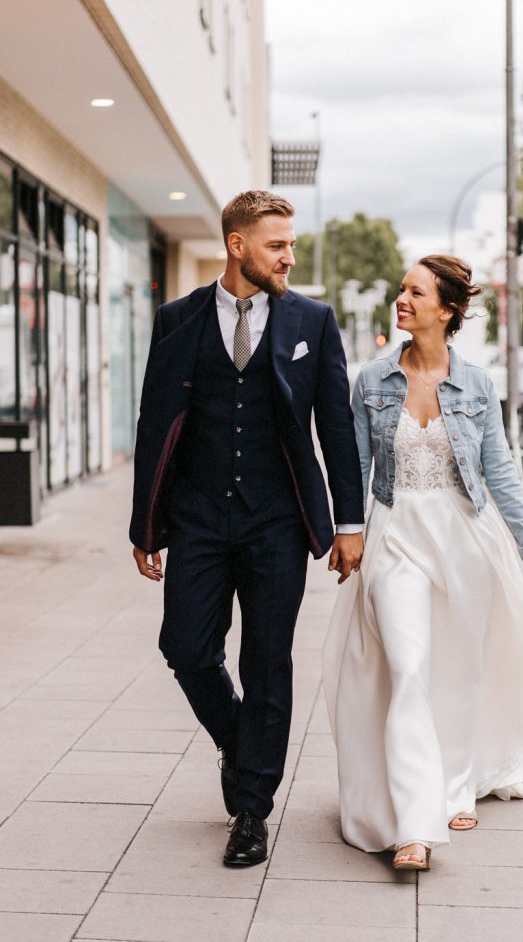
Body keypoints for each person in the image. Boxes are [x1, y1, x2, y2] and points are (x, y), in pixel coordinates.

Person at [130, 190, 364, 867]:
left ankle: (251, 810)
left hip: (276, 521)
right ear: (237, 246)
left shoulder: (312, 322)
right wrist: (145, 524)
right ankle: (242, 743)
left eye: (290, 244)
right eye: (276, 245)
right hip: (199, 517)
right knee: (186, 647)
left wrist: (346, 523)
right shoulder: (177, 320)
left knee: (266, 661)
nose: (288, 256)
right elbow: (155, 425)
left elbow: (336, 430)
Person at [323, 255, 523, 872]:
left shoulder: (476, 385)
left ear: (446, 310)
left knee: (457, 668)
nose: (402, 299)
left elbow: (500, 471)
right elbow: (353, 466)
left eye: (415, 292)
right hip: (395, 534)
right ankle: (414, 825)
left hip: (466, 540)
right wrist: (347, 533)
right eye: (401, 288)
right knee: (410, 664)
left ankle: (454, 783)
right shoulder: (370, 379)